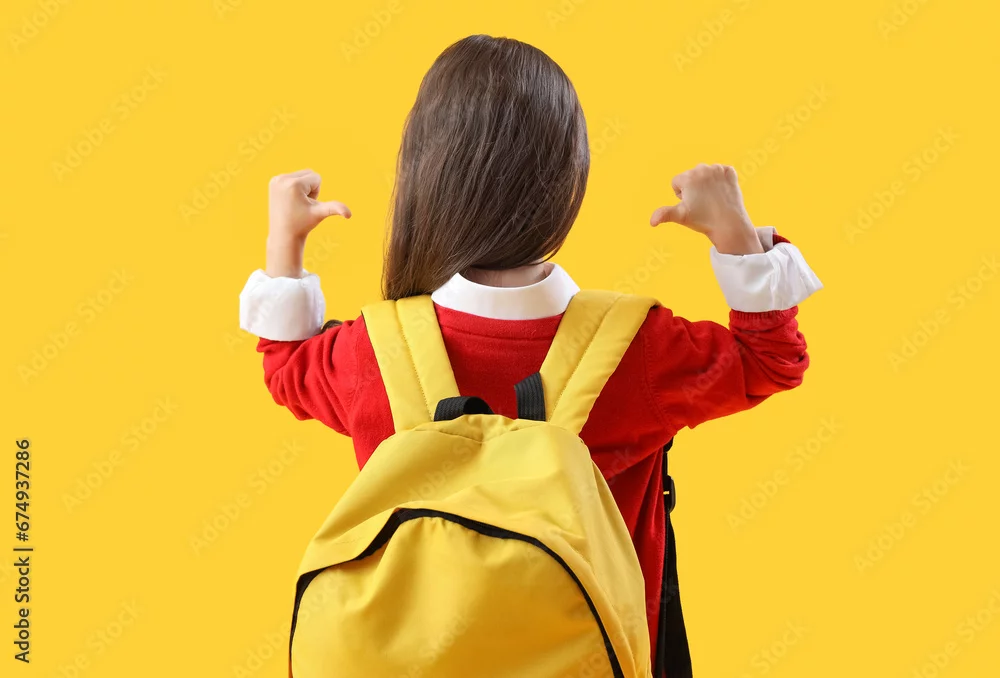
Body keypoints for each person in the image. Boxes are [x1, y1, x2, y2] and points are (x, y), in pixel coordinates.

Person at [239, 34, 822, 664]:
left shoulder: (372, 352)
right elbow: (770, 358)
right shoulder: (637, 350)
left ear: (422, 176)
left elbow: (286, 367)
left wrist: (285, 244)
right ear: (567, 180)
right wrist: (734, 231)